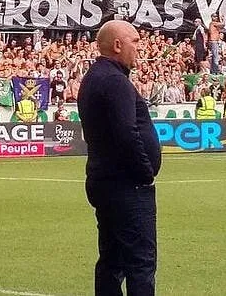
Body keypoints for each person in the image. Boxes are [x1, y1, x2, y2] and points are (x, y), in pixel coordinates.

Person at [78, 20, 161, 296]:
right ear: (117, 45)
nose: (139, 48)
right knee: (140, 264)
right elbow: (127, 134)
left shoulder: (95, 77)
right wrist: (145, 172)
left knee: (112, 261)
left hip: (105, 181)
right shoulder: (115, 81)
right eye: (135, 41)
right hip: (127, 186)